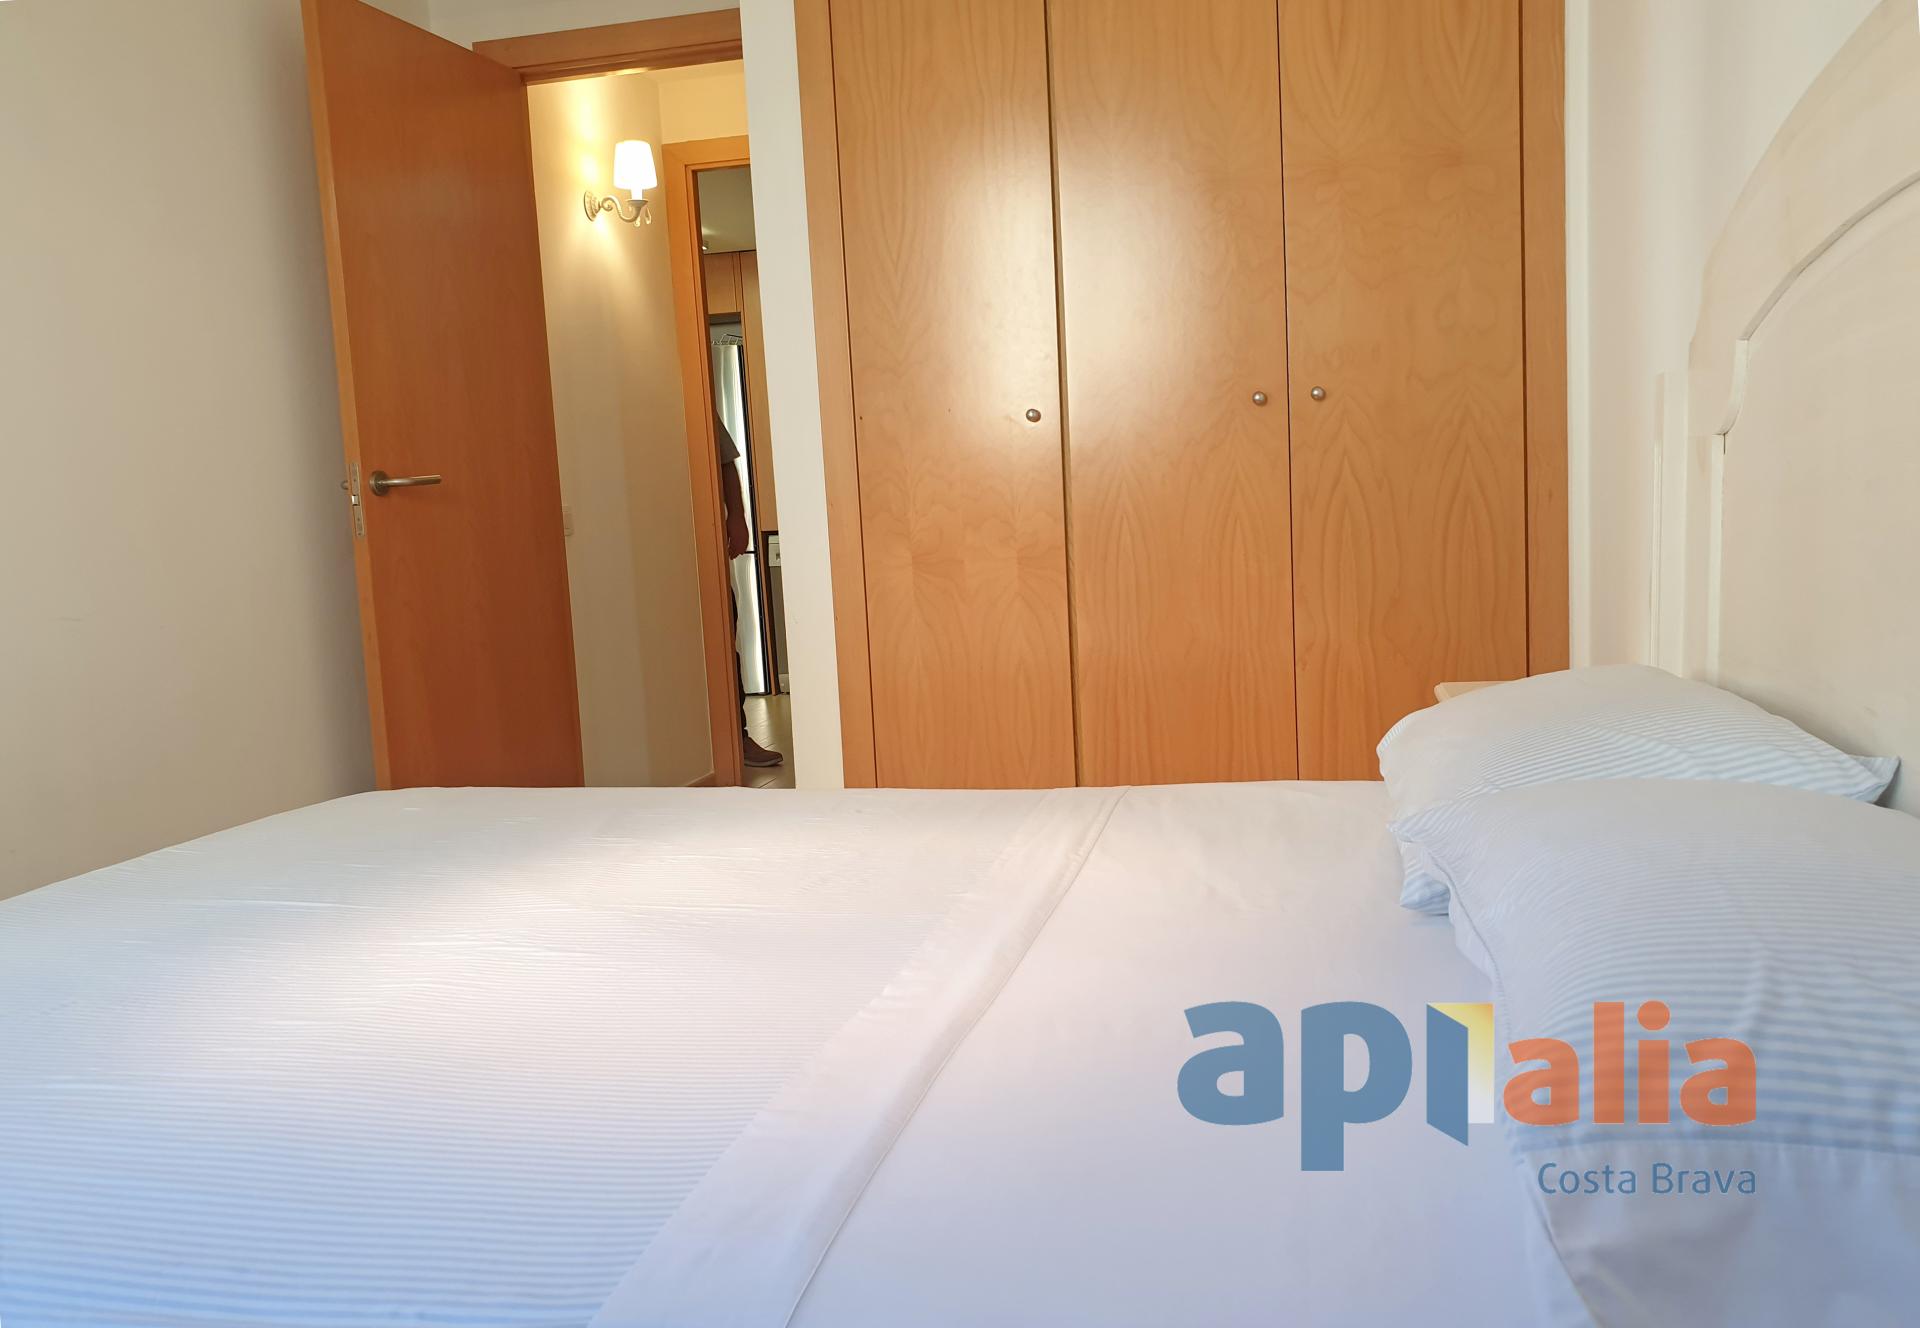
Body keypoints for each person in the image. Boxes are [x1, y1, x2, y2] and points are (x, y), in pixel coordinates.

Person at [716, 416, 784, 769]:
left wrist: (737, 517)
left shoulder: (698, 411)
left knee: (725, 641)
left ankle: (737, 736)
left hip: (707, 544)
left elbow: (726, 461)